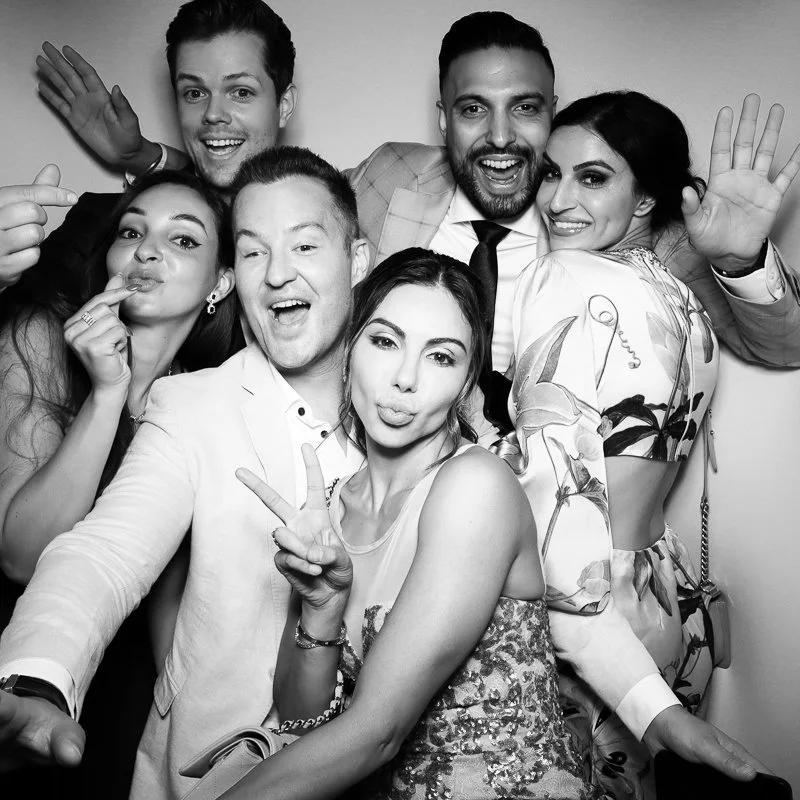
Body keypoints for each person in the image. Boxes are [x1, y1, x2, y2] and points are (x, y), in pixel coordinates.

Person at [0, 146, 367, 800]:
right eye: (254, 251)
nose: (277, 274)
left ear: (357, 261)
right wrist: (37, 677)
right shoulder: (194, 406)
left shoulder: (414, 407)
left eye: (305, 247)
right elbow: (102, 554)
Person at [491, 88, 798, 798]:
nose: (558, 198)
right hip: (660, 599)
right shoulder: (681, 299)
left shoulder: (563, 275)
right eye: (551, 173)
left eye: (592, 177)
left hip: (577, 618)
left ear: (643, 201)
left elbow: (556, 516)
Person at [231, 247, 593, 799]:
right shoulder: (327, 511)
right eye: (385, 341)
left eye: (440, 357)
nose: (405, 379)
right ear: (351, 348)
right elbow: (301, 720)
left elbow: (378, 732)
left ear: (468, 379)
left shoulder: (476, 486)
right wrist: (322, 608)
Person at [0, 169, 240, 797]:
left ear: (222, 281)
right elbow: (21, 556)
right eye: (131, 232)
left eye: (184, 241)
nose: (148, 250)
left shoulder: (203, 401)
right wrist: (107, 395)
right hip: (15, 653)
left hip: (122, 680)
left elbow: (179, 596)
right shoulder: (40, 337)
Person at [0, 0, 297, 298]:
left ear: (283, 107)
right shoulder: (101, 221)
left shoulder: (327, 232)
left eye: (241, 92)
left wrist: (145, 156)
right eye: (194, 93)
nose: (213, 113)